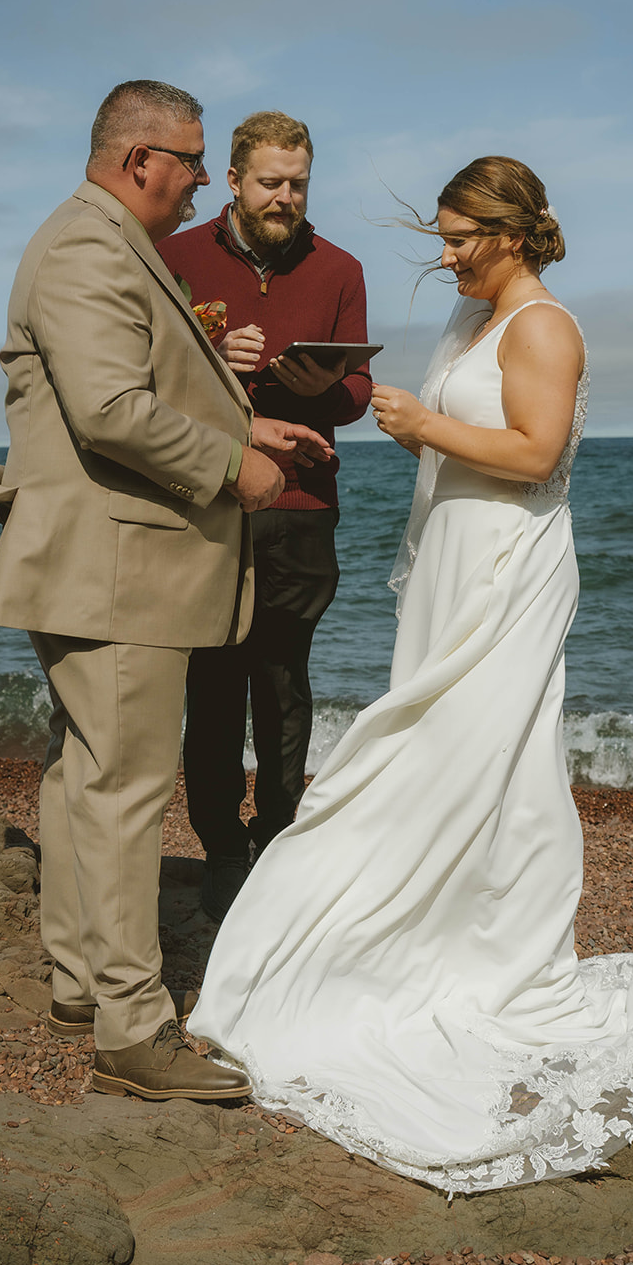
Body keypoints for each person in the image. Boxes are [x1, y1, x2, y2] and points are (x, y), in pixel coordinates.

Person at [188, 156, 633, 1191]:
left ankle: (462, 952)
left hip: (506, 566)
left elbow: (532, 452)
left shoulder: (541, 326)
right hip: (449, 558)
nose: (440, 260)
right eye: (436, 238)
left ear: (511, 234)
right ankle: (407, 936)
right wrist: (397, 421)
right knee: (451, 753)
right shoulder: (471, 324)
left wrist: (423, 424)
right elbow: (468, 442)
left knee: (475, 758)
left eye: (455, 240)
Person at [0, 81, 331, 1103]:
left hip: (93, 562)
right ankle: (134, 1030)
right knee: (128, 790)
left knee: (83, 775)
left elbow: (136, 386)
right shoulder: (90, 245)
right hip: (117, 568)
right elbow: (108, 410)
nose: (195, 181)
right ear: (141, 159)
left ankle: (80, 979)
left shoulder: (93, 238)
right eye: (186, 160)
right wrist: (237, 469)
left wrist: (243, 423)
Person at [158, 111, 371, 921]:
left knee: (284, 685)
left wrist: (327, 389)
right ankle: (219, 852)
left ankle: (278, 838)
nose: (286, 196)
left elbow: (355, 393)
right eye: (271, 182)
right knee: (209, 686)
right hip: (204, 495)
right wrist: (211, 362)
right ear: (236, 182)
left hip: (302, 501)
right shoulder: (174, 256)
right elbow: (147, 372)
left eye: (299, 183)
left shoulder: (340, 267)